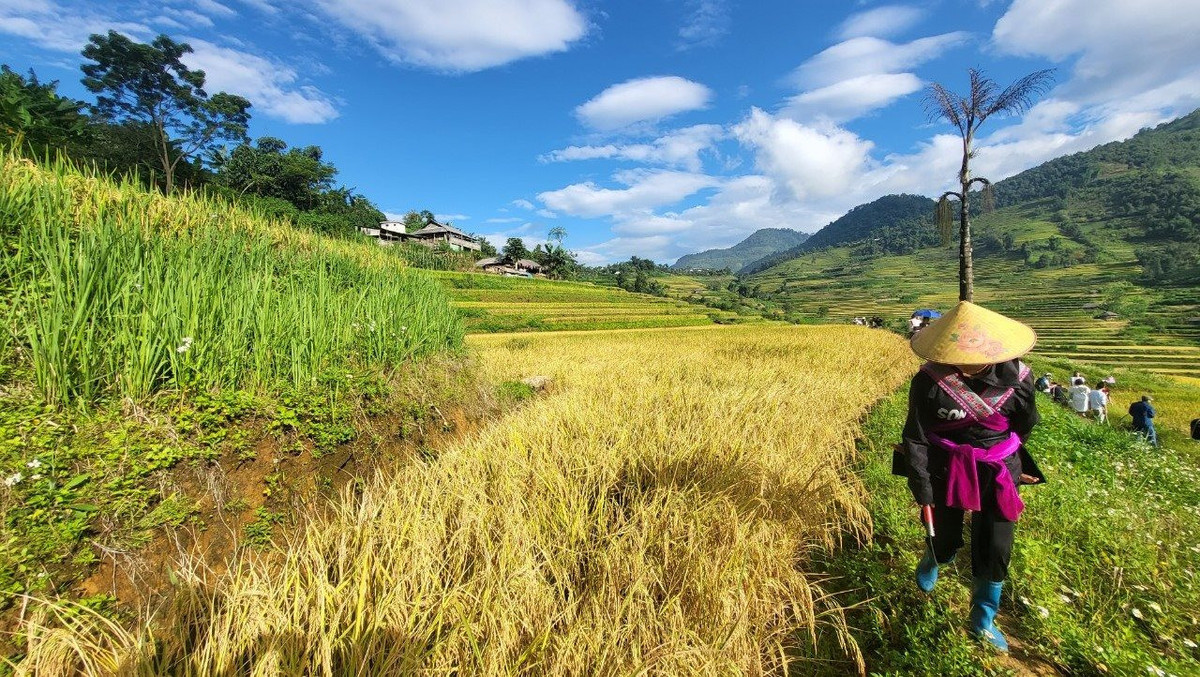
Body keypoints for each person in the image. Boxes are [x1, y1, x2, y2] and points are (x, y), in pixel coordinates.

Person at [892, 301, 1044, 652]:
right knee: (943, 534)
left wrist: (1010, 463)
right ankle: (936, 556)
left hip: (998, 469)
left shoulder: (1020, 378)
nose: (965, 359)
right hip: (947, 466)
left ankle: (982, 619)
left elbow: (1024, 424)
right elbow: (916, 435)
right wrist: (922, 487)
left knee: (995, 544)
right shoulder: (931, 381)